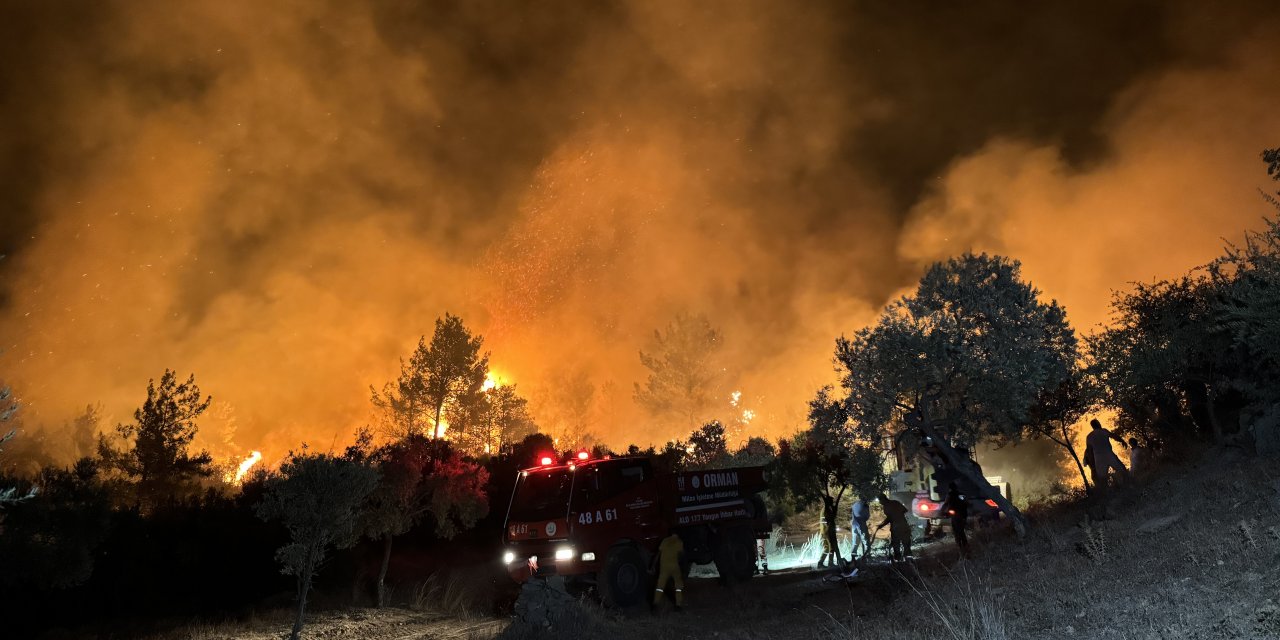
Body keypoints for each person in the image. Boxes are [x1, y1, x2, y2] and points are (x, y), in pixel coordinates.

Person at [1085, 418, 1130, 490]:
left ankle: (1106, 494)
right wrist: (1122, 441)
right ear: (1098, 424)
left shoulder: (1089, 436)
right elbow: (1114, 436)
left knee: (1102, 479)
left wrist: (1093, 465)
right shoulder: (1103, 431)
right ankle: (1129, 484)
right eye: (1099, 422)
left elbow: (1089, 452)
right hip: (1109, 455)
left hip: (1098, 459)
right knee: (1122, 470)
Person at [874, 493, 912, 562]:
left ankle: (898, 560)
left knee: (896, 543)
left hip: (896, 527)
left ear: (883, 499)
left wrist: (881, 525)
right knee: (906, 543)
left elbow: (889, 519)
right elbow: (905, 510)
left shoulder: (886, 507)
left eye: (880, 501)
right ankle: (908, 560)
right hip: (904, 525)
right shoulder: (895, 502)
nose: (880, 502)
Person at [652, 530, 684, 612]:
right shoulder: (679, 542)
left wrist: (652, 565)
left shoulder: (665, 541)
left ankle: (655, 604)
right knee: (678, 586)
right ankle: (678, 605)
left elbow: (658, 554)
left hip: (664, 567)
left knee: (660, 586)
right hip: (674, 567)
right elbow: (681, 555)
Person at [942, 483, 970, 557]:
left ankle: (960, 546)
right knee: (961, 530)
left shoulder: (950, 495)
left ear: (950, 488)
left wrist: (942, 512)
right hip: (962, 515)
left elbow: (946, 504)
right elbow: (966, 503)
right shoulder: (960, 494)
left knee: (957, 531)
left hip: (956, 515)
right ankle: (965, 545)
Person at [850, 496, 871, 562]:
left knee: (855, 542)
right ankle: (867, 557)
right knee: (866, 540)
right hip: (861, 524)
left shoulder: (854, 505)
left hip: (854, 525)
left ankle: (853, 558)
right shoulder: (865, 505)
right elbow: (867, 516)